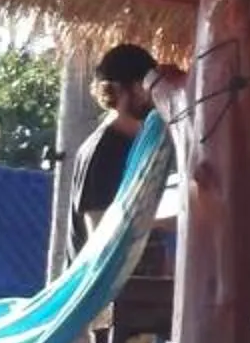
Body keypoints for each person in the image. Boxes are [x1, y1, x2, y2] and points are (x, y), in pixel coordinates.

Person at [67, 41, 188, 250]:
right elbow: (99, 236)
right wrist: (172, 224)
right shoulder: (103, 151)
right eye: (144, 86)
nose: (152, 95)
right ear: (118, 89)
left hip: (139, 280)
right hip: (109, 282)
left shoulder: (143, 146)